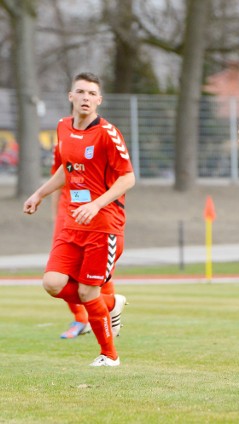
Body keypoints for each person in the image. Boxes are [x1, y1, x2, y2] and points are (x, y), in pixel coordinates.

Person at [23, 72, 133, 366]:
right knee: (52, 283)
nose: (86, 97)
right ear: (71, 96)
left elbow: (128, 178)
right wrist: (39, 194)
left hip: (104, 226)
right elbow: (66, 169)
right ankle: (110, 303)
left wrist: (96, 204)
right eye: (80, 92)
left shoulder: (108, 133)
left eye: (91, 93)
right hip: (73, 224)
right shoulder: (62, 127)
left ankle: (109, 355)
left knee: (86, 292)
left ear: (99, 100)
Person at [49, 143, 115, 339]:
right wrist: (56, 216)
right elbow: (57, 179)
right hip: (67, 212)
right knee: (60, 273)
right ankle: (81, 318)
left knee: (97, 268)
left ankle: (109, 309)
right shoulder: (62, 143)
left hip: (96, 211)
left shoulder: (103, 139)